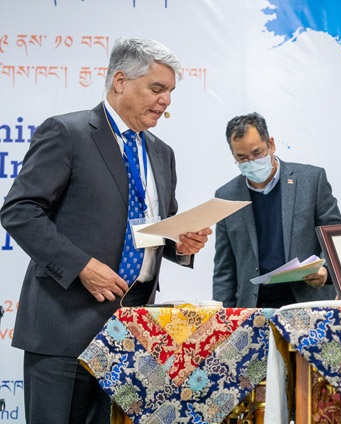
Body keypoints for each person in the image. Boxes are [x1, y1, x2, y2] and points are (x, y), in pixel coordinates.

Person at [0, 38, 211, 423]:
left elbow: (151, 228)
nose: (166, 101)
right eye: (157, 88)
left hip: (132, 328)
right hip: (65, 325)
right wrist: (81, 265)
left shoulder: (162, 153)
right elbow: (20, 211)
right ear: (120, 81)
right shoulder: (67, 133)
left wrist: (180, 242)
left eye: (170, 92)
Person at [213, 112, 341, 308]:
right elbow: (224, 269)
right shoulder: (226, 196)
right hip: (253, 307)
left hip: (307, 302)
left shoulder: (311, 180)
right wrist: (223, 319)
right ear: (233, 155)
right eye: (242, 158)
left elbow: (335, 239)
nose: (252, 162)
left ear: (271, 144)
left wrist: (325, 270)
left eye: (257, 153)